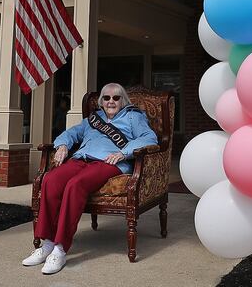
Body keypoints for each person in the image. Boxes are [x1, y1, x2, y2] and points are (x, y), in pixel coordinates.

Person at [23, 83, 158, 275]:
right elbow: (71, 133)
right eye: (106, 98)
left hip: (108, 162)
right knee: (50, 180)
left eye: (116, 98)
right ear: (101, 101)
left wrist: (123, 152)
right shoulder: (93, 119)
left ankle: (60, 249)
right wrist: (62, 146)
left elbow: (149, 137)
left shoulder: (132, 116)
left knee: (75, 185)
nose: (111, 101)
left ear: (123, 100)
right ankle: (47, 244)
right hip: (81, 158)